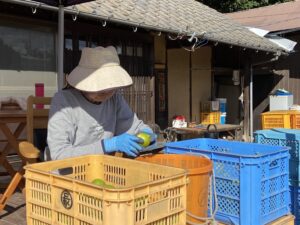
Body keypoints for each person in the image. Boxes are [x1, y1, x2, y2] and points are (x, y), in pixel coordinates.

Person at [46, 46, 155, 160]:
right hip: (70, 171)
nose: (107, 92)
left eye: (111, 88)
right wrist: (107, 145)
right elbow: (59, 154)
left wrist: (146, 133)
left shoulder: (115, 99)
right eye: (101, 89)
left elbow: (134, 126)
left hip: (105, 169)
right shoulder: (63, 101)